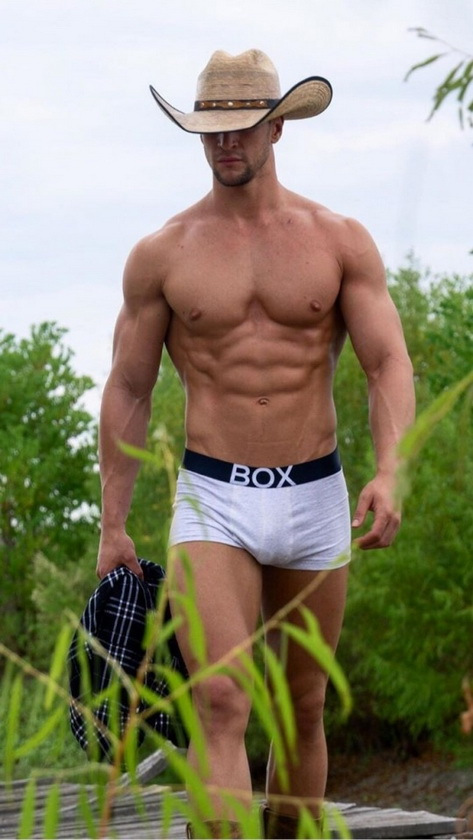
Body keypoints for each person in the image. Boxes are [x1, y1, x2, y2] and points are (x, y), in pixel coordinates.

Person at [97, 49, 415, 839]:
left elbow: (385, 362)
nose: (225, 142)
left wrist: (390, 471)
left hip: (314, 495)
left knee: (301, 705)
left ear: (277, 128)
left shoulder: (338, 241)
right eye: (211, 129)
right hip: (214, 497)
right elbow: (129, 388)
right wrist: (113, 523)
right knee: (219, 699)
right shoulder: (163, 253)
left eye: (241, 127)